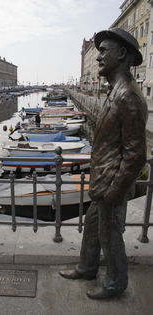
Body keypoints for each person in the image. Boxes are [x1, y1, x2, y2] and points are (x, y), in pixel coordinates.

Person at [59, 28, 148, 300]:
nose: (98, 58)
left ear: (121, 54)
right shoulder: (116, 91)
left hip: (112, 184)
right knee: (92, 227)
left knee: (110, 235)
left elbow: (135, 154)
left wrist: (116, 190)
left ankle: (115, 283)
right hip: (103, 180)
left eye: (103, 51)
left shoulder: (128, 96)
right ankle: (87, 267)